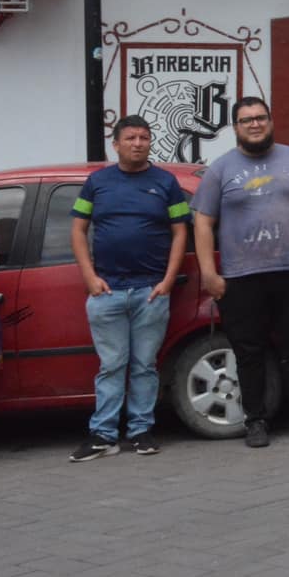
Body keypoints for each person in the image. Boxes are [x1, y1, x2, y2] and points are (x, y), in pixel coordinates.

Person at [193, 97, 289, 448]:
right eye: (247, 120)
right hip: (242, 277)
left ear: (271, 121)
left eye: (261, 118)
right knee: (249, 353)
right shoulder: (220, 169)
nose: (255, 124)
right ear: (236, 127)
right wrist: (208, 272)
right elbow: (203, 221)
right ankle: (256, 421)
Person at [67, 116, 191, 462]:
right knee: (111, 365)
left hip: (151, 291)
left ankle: (140, 431)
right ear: (116, 144)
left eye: (144, 137)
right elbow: (78, 231)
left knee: (144, 365)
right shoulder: (97, 183)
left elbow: (180, 231)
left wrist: (167, 280)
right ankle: (103, 434)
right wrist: (89, 277)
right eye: (131, 138)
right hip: (106, 291)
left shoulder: (165, 183)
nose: (138, 143)